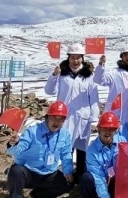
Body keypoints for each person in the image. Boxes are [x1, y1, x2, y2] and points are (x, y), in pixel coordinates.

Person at [44, 43, 103, 177]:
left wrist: (94, 117)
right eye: (72, 58)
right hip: (65, 116)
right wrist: (54, 75)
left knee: (82, 148)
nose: (75, 61)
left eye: (78, 58)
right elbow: (49, 91)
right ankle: (68, 174)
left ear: (82, 58)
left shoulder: (88, 75)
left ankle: (81, 174)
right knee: (66, 146)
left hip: (83, 117)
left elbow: (94, 97)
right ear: (68, 58)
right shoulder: (62, 74)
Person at [5, 101, 73, 198]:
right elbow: (18, 149)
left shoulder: (65, 134)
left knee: (68, 183)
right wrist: (13, 144)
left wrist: (68, 171)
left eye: (61, 119)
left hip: (49, 172)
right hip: (28, 171)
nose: (57, 122)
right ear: (47, 117)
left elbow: (66, 154)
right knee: (15, 171)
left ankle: (38, 196)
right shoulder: (32, 131)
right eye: (54, 118)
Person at [78, 111, 126, 198]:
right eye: (104, 128)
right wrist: (105, 196)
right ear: (99, 129)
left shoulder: (122, 143)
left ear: (115, 131)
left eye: (111, 129)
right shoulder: (91, 150)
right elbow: (97, 176)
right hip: (99, 184)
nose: (107, 132)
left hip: (115, 182)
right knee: (86, 178)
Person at [94, 45, 128, 125]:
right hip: (116, 113)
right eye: (125, 55)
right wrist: (101, 65)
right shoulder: (114, 72)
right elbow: (99, 80)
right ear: (122, 58)